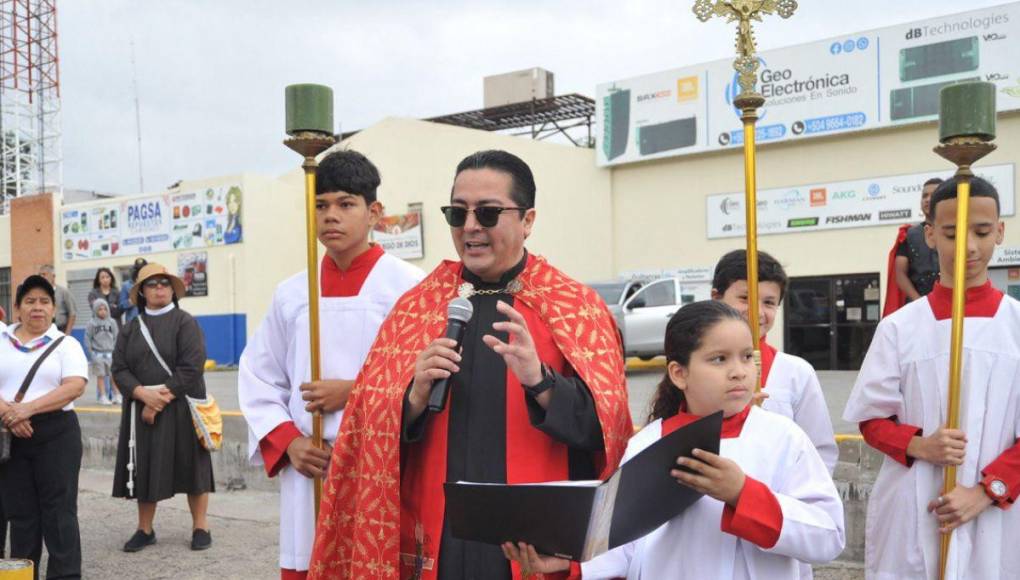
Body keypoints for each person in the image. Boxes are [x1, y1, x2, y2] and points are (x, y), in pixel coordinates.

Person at [307, 150, 633, 580]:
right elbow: (367, 426)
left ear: (528, 220)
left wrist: (541, 382)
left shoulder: (576, 307)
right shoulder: (417, 306)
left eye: (489, 212)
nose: (471, 227)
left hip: (535, 541)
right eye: (458, 213)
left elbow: (608, 433)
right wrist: (414, 396)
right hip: (439, 541)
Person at [503, 301, 845, 578]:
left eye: (746, 356)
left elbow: (829, 536)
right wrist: (571, 566)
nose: (739, 371)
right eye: (719, 359)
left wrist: (743, 493)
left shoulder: (783, 437)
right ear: (679, 373)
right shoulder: (647, 444)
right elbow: (625, 547)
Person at [238, 150, 424, 579]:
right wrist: (288, 443)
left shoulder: (409, 288)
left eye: (345, 204)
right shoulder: (292, 293)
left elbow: (429, 377)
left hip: (380, 464)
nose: (330, 216)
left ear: (374, 212)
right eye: (320, 205)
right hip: (312, 464)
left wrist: (354, 392)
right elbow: (258, 376)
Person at [844, 176, 1019, 579]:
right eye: (952, 233)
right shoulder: (900, 328)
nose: (969, 247)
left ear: (1000, 232)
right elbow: (872, 421)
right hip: (917, 502)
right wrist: (921, 445)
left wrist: (986, 492)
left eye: (982, 231)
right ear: (930, 235)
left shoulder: (1016, 325)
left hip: (999, 509)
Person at [111, 263, 214, 553]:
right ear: (142, 292)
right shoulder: (130, 329)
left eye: (165, 283)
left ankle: (200, 526)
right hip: (143, 407)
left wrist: (159, 400)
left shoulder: (185, 322)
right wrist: (143, 394)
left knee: (193, 466)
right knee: (145, 467)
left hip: (182, 405)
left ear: (172, 289)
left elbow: (192, 366)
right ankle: (145, 529)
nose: (159, 288)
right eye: (153, 284)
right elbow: (119, 369)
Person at [711, 249, 838, 472]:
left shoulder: (795, 372)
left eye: (769, 302)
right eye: (744, 298)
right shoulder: (696, 367)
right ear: (716, 298)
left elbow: (819, 453)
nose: (757, 312)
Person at [0, 275, 89, 579]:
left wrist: (27, 409)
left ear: (53, 309)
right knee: (21, 514)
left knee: (60, 513)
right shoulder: (1, 341)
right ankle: (23, 575)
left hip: (57, 434)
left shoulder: (67, 345)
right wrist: (10, 414)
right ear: (17, 308)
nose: (37, 307)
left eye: (44, 301)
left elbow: (75, 386)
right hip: (10, 434)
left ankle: (64, 575)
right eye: (30, 301)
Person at [883, 177, 943, 316]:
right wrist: (919, 302)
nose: (928, 199)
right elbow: (900, 274)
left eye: (933, 195)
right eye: (924, 196)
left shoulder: (959, 231)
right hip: (917, 308)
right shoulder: (909, 234)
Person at [85, 298, 120, 405]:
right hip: (97, 354)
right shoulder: (92, 323)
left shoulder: (112, 322)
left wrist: (116, 351)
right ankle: (103, 396)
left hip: (110, 353)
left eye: (105, 309)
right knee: (100, 376)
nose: (103, 311)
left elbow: (116, 336)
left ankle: (117, 395)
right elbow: (88, 338)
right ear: (95, 310)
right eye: (100, 309)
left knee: (113, 375)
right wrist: (91, 353)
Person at [38, 264, 76, 334]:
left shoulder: (63, 292)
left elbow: (72, 313)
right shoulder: (39, 294)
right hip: (44, 331)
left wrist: (67, 334)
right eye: (40, 275)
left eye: (44, 274)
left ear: (53, 276)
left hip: (61, 330)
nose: (41, 277)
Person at [119, 258, 148, 325]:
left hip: (149, 320)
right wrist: (131, 301)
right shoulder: (126, 285)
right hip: (133, 322)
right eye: (138, 269)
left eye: (142, 269)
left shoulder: (150, 283)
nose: (140, 271)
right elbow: (121, 306)